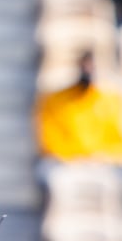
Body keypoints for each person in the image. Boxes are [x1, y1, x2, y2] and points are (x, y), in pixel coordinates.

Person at [33, 49, 122, 182]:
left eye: (91, 67)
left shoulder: (110, 100)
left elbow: (117, 139)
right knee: (45, 173)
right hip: (65, 161)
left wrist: (100, 156)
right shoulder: (56, 99)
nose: (88, 71)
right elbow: (49, 138)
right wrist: (74, 156)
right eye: (84, 66)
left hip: (102, 161)